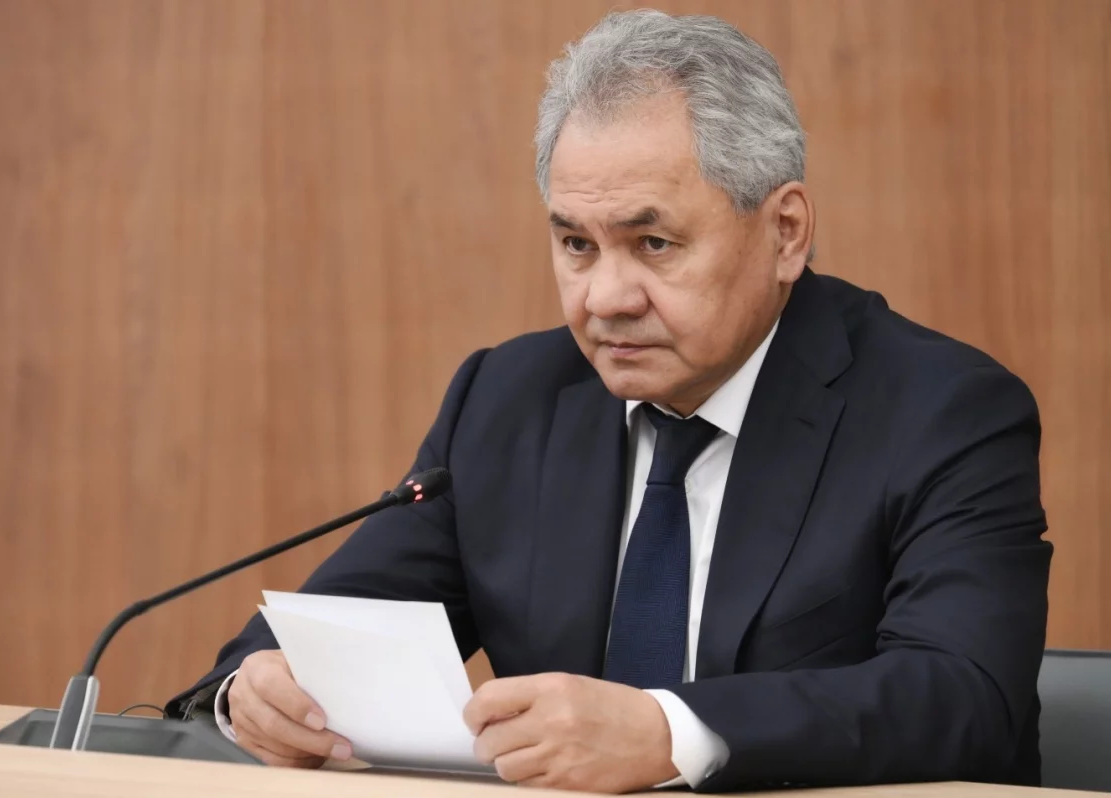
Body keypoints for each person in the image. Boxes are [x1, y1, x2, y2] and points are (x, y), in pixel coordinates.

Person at [166, 9, 1051, 793]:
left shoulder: (941, 410)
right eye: (576, 245)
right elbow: (333, 628)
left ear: (785, 232)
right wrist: (256, 689)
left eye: (654, 243)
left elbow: (966, 693)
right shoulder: (507, 400)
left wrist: (670, 734)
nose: (606, 298)